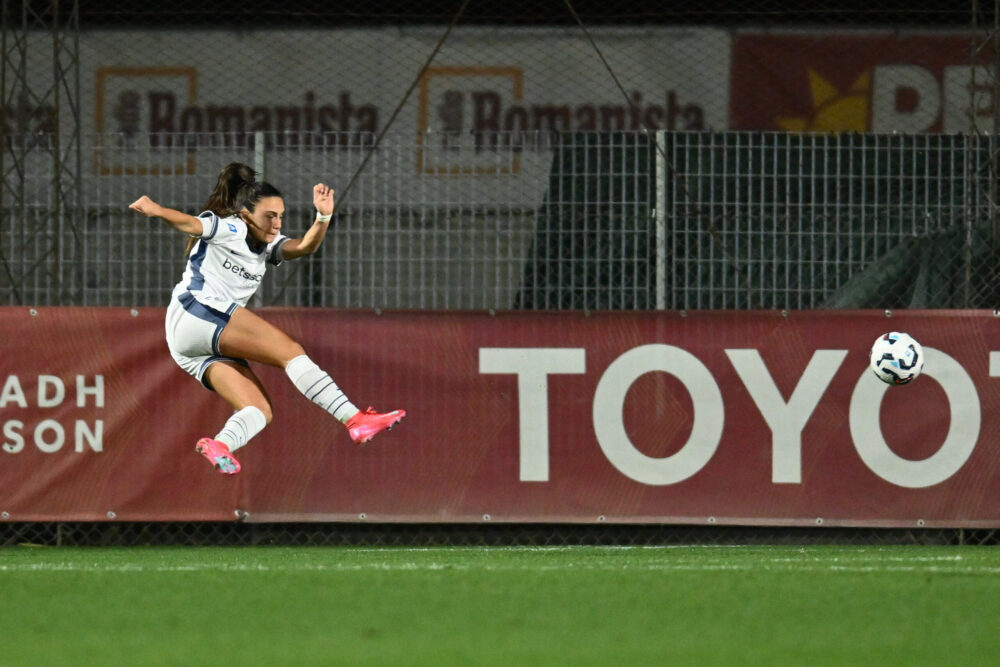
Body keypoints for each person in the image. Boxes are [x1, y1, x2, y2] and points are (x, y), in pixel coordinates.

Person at [129, 163, 405, 475]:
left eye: (281, 216)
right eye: (269, 216)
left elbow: (304, 246)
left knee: (259, 410)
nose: (276, 223)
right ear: (246, 214)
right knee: (290, 352)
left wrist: (323, 217)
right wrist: (156, 209)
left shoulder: (268, 243)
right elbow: (191, 224)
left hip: (190, 343)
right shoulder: (230, 227)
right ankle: (355, 419)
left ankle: (220, 445)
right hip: (196, 311)